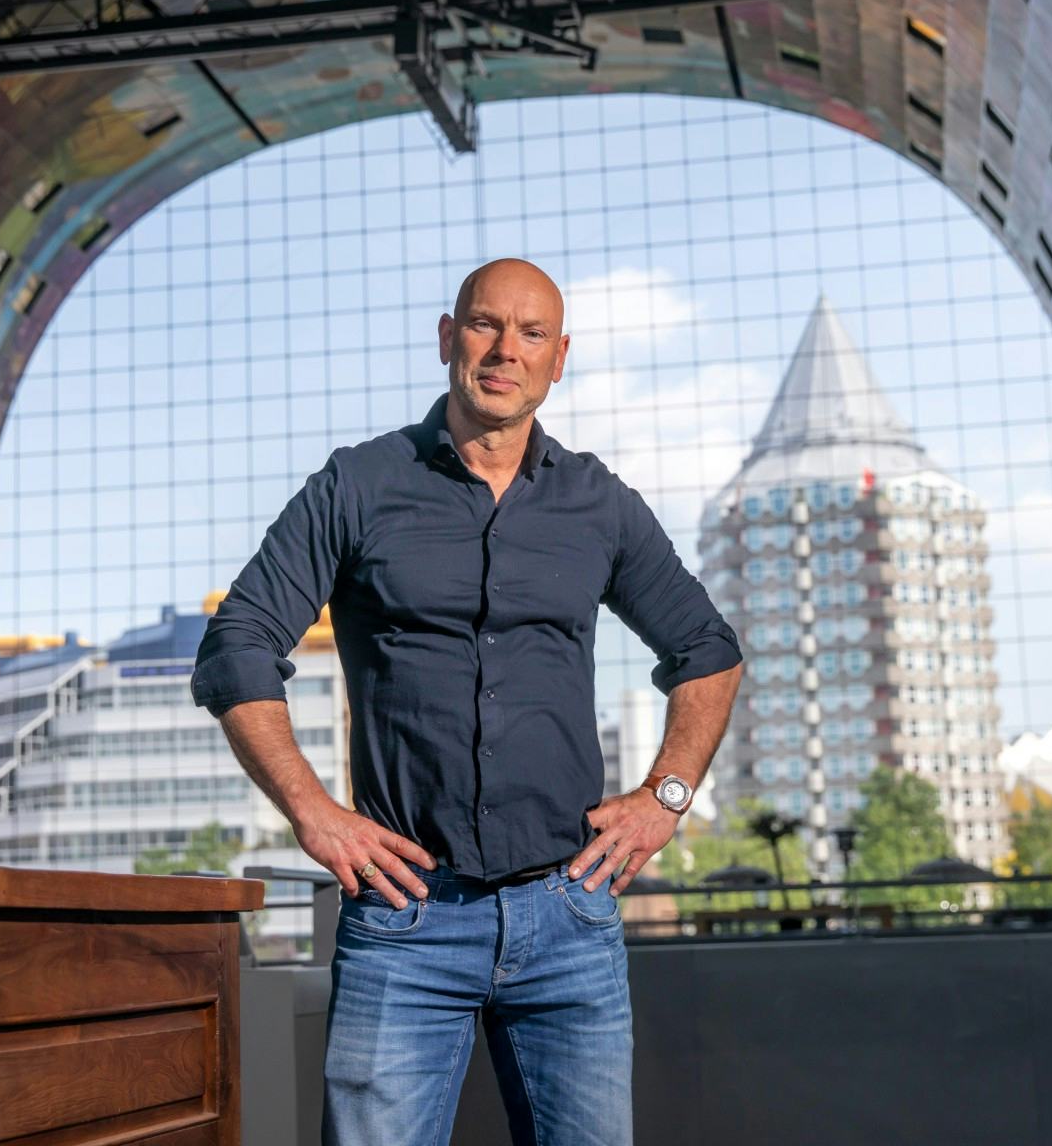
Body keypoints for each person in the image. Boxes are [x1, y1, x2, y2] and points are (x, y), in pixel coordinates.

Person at [192, 257, 743, 1146]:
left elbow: (707, 652)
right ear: (448, 338)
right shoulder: (357, 485)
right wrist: (314, 813)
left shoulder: (597, 502)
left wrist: (665, 799)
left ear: (558, 359)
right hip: (404, 919)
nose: (505, 350)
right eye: (485, 325)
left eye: (531, 334)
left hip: (569, 912)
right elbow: (237, 642)